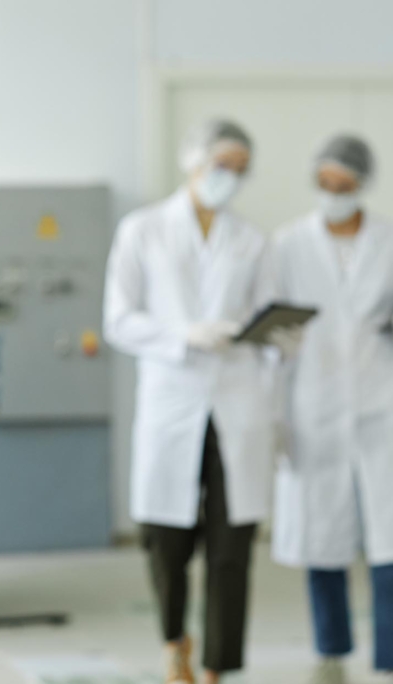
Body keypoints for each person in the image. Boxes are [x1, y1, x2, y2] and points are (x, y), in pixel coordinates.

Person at [104, 120, 275, 684]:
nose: (230, 177)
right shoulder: (143, 229)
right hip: (173, 403)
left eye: (240, 168)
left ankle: (218, 666)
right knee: (166, 541)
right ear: (194, 161)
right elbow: (119, 321)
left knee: (232, 547)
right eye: (221, 164)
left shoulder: (253, 240)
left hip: (237, 403)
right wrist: (183, 336)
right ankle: (174, 641)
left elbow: (267, 319)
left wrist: (276, 336)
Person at [271, 134, 393, 684]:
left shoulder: (389, 239)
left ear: (362, 184)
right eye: (325, 184)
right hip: (314, 403)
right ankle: (331, 650)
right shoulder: (288, 244)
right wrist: (275, 413)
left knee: (390, 536)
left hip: (382, 405)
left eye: (344, 185)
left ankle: (389, 655)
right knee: (324, 534)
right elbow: (272, 326)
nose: (334, 193)